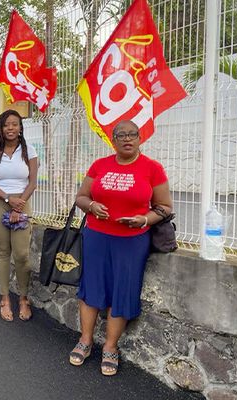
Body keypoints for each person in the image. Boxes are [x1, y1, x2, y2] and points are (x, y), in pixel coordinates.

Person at [69, 120, 173, 376]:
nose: (127, 139)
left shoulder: (152, 168)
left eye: (132, 134)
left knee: (122, 291)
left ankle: (111, 347)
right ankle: (85, 340)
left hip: (132, 242)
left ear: (140, 138)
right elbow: (81, 197)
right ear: (113, 140)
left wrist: (145, 219)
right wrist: (91, 207)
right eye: (121, 135)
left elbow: (165, 207)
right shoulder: (100, 165)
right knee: (91, 286)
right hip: (96, 236)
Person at [0, 109, 38, 322]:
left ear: (20, 127)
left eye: (14, 124)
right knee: (3, 251)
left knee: (22, 254)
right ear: (0, 128)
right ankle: (5, 298)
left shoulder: (29, 150)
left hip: (22, 202)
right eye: (6, 125)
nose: (10, 128)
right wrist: (7, 199)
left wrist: (18, 206)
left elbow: (32, 182)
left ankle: (23, 297)